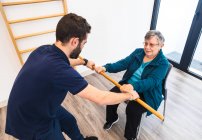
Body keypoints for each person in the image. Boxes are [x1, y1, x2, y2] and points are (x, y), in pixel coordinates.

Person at [5, 13, 139, 140]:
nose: (83, 47)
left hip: (36, 105)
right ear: (75, 42)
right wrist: (129, 95)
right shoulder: (60, 70)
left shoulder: (44, 50)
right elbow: (101, 98)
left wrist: (84, 62)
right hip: (30, 121)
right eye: (84, 43)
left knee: (69, 121)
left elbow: (64, 61)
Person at [95, 30, 169, 140]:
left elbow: (152, 82)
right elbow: (123, 63)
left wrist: (133, 87)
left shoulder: (163, 63)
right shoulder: (138, 52)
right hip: (129, 85)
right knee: (111, 96)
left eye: (151, 44)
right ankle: (112, 118)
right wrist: (106, 67)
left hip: (148, 93)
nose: (147, 47)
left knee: (132, 109)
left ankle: (130, 137)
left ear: (161, 46)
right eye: (145, 43)